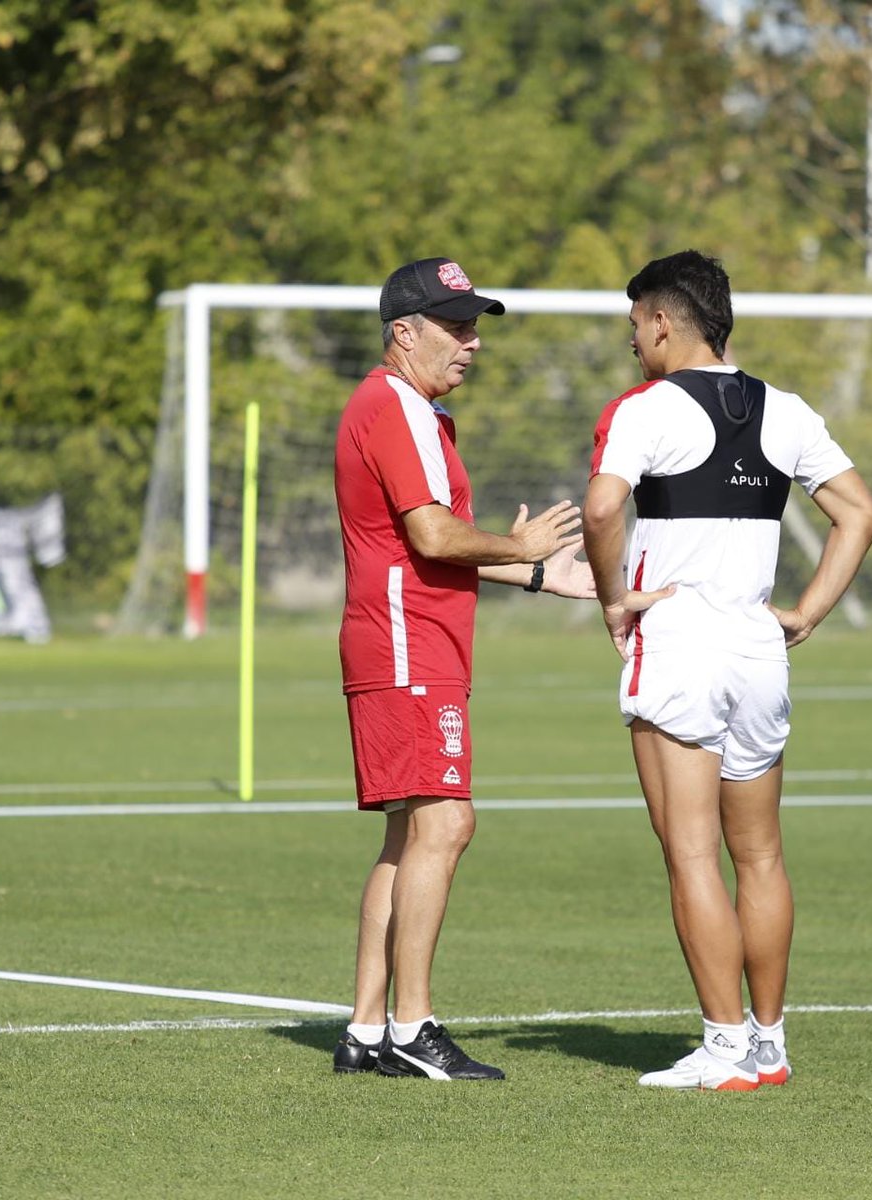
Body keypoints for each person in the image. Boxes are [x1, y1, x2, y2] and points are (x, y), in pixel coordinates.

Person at [582, 250, 872, 1091]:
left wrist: (615, 598)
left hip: (678, 641)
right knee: (759, 856)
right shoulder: (784, 409)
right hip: (758, 646)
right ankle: (767, 1043)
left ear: (663, 322)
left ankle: (720, 1049)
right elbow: (861, 512)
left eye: (634, 324)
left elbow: (603, 507)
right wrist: (808, 612)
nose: (633, 341)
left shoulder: (644, 409)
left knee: (689, 854)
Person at [332, 256, 594, 1081]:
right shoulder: (396, 407)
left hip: (412, 640)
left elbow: (443, 549)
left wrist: (543, 574)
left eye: (475, 325)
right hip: (408, 644)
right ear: (402, 333)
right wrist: (522, 546)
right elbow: (433, 539)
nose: (472, 343)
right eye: (455, 325)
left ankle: (368, 1031)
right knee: (445, 823)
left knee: (408, 832)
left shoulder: (419, 414)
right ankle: (414, 1030)